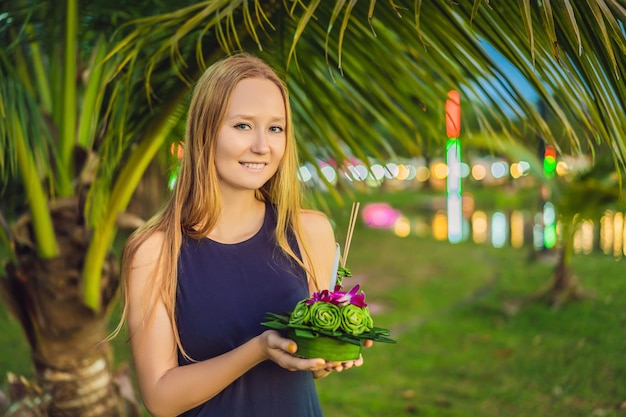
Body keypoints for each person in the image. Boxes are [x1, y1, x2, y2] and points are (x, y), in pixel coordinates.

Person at [118, 53, 370, 417]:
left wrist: (327, 354)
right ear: (205, 131)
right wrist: (257, 350)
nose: (262, 146)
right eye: (242, 126)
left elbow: (305, 365)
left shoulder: (309, 231)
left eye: (275, 128)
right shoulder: (155, 250)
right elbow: (160, 398)